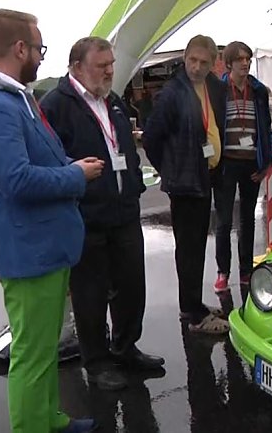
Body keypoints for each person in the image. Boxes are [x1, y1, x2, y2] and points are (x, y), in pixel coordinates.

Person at [0, 8, 102, 433]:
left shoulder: (11, 97)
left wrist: (68, 165)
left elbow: (28, 163)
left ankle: (49, 420)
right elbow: (15, 181)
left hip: (41, 247)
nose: (40, 56)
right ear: (20, 48)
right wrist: (75, 175)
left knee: (43, 350)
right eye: (39, 47)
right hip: (27, 251)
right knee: (33, 355)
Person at [40, 36, 164, 391]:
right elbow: (50, 160)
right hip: (86, 218)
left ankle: (126, 349)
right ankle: (96, 363)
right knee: (90, 296)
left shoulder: (112, 101)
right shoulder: (56, 105)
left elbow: (122, 146)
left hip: (124, 212)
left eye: (111, 63)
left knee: (131, 287)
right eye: (102, 65)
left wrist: (135, 187)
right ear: (77, 67)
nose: (110, 70)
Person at [143, 35, 230, 334]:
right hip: (184, 183)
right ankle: (194, 315)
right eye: (192, 60)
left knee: (196, 245)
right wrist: (170, 169)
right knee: (189, 249)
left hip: (207, 178)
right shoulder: (172, 93)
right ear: (185, 58)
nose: (196, 66)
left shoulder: (215, 88)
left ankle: (191, 304)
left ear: (213, 62)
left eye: (203, 62)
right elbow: (152, 137)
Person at [213, 41, 272, 292]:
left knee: (247, 220)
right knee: (224, 221)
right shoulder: (219, 90)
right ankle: (222, 272)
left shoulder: (258, 90)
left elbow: (266, 127)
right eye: (239, 59)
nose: (245, 63)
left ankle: (246, 271)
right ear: (229, 63)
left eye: (248, 58)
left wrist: (267, 161)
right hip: (227, 163)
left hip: (251, 162)